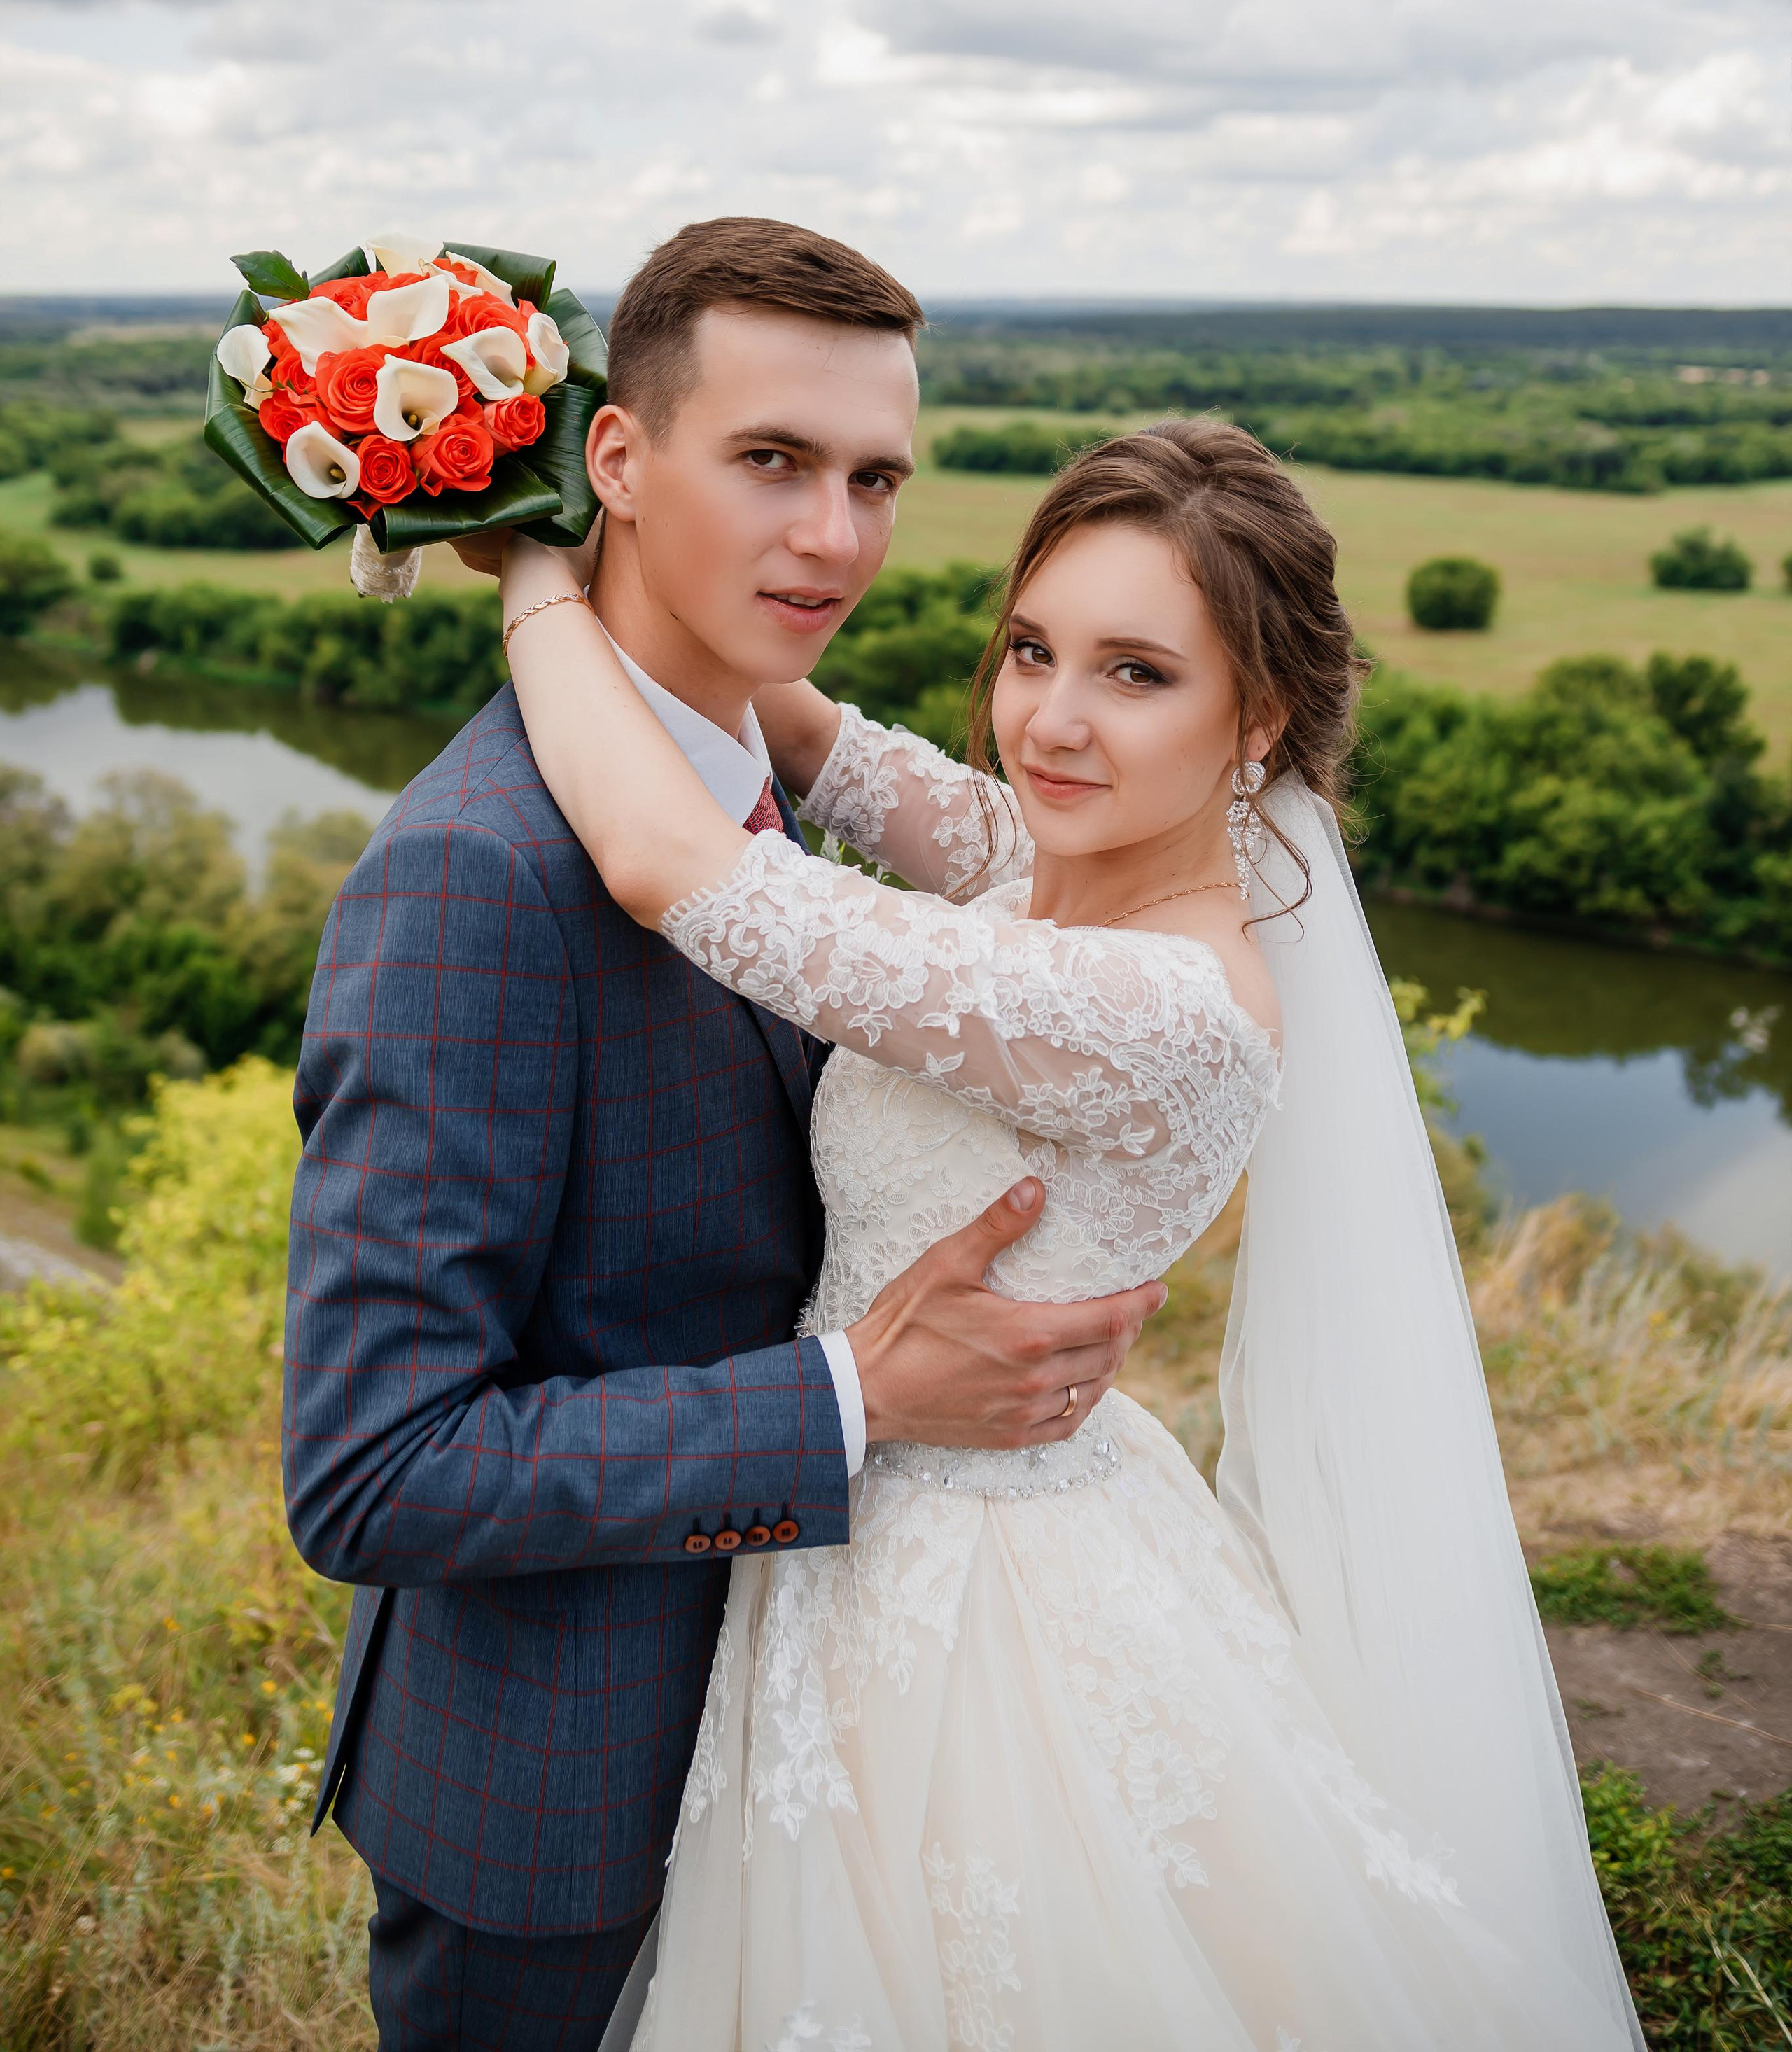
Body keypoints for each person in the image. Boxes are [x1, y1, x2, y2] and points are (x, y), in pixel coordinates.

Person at [498, 415, 1645, 2052]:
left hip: (972, 1595)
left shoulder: (1158, 1002)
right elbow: (817, 740)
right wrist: (608, 511)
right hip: (883, 1516)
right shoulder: (1068, 859)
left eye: (1132, 673)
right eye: (1031, 648)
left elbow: (668, 860)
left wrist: (529, 575)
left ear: (1254, 715)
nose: (1047, 718)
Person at [281, 218, 1167, 2052]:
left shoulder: (744, 766)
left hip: (820, 1747)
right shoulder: (477, 873)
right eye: (772, 460)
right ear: (615, 458)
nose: (836, 536)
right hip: (566, 1805)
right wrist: (855, 1394)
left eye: (875, 479)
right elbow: (373, 1465)